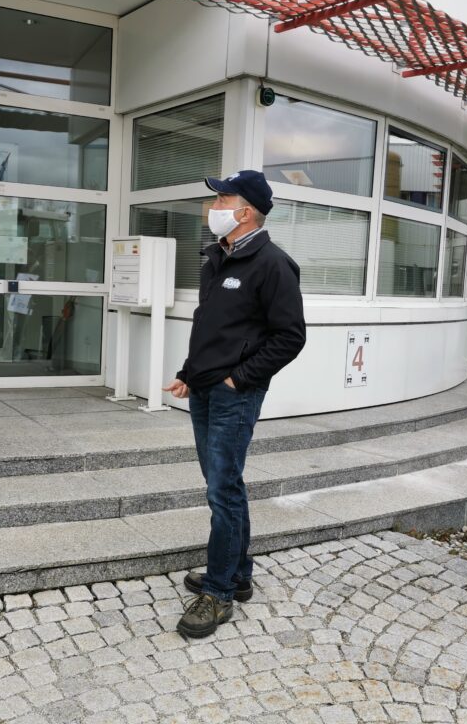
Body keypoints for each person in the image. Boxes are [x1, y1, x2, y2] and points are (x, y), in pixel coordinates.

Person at [163, 170, 306, 638]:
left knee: (222, 490)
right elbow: (210, 328)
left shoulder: (272, 264)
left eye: (223, 197)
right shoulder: (216, 259)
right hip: (204, 390)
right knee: (223, 485)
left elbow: (290, 337)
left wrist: (237, 379)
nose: (214, 206)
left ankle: (220, 592)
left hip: (234, 395)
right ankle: (238, 574)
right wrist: (189, 373)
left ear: (245, 211)